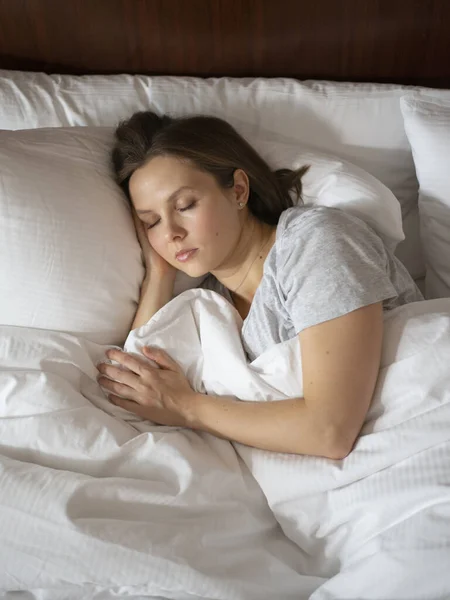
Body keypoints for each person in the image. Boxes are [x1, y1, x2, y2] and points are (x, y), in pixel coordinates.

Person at [96, 110, 424, 459]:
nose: (171, 233)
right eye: (152, 222)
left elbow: (331, 430)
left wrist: (187, 407)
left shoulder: (316, 242)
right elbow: (134, 386)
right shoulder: (209, 303)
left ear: (238, 190)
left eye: (185, 205)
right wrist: (159, 271)